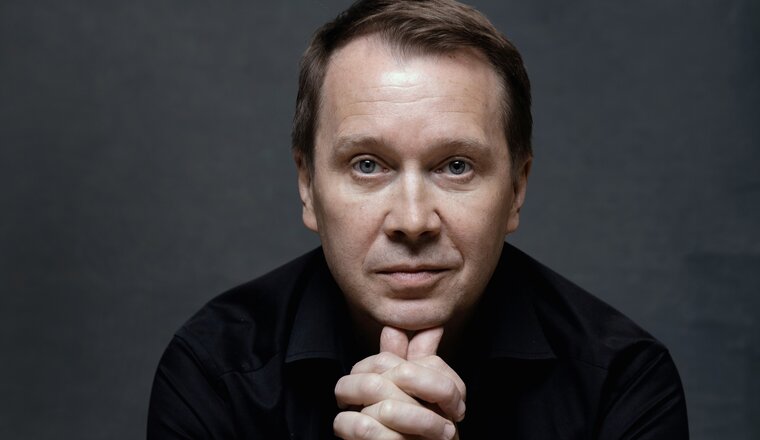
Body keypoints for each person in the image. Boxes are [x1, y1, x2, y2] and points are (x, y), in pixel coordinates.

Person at [147, 0, 689, 438]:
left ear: (516, 190)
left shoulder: (622, 381)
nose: (412, 220)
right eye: (367, 165)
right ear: (308, 187)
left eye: (456, 166)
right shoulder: (214, 371)